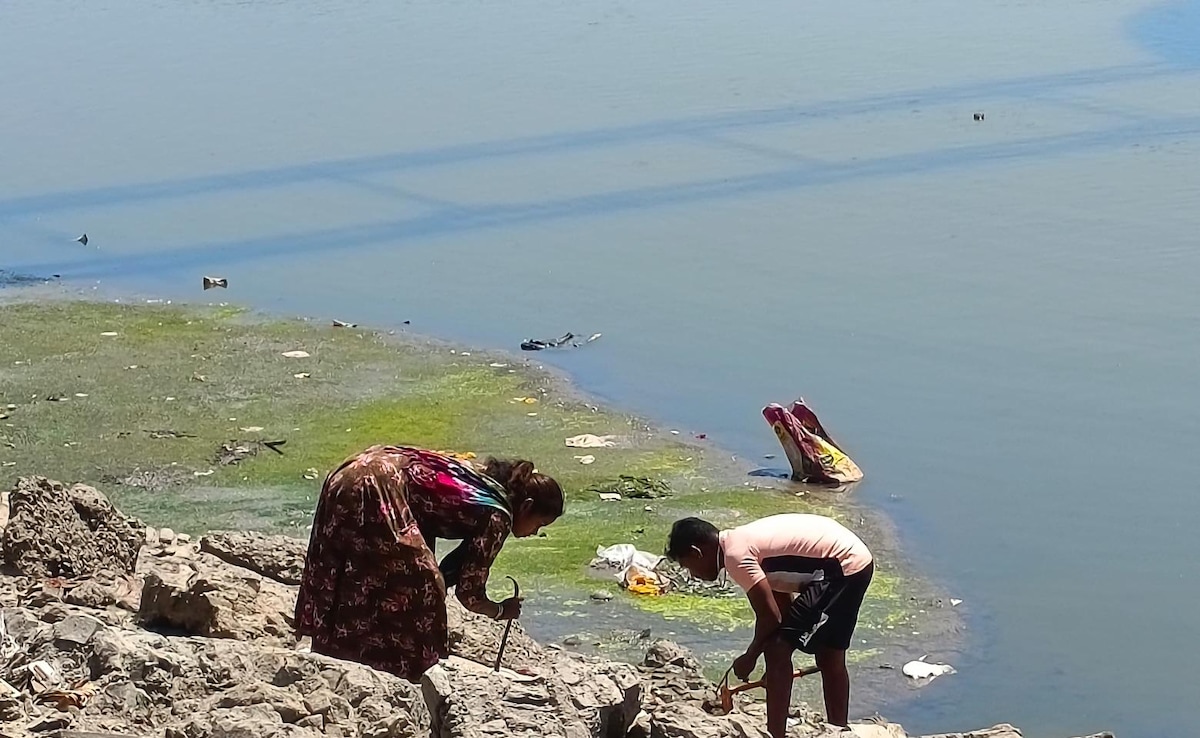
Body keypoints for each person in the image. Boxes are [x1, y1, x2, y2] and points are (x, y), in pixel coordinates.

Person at [294, 444, 564, 682]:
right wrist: (501, 610)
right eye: (539, 524)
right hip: (378, 485)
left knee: (355, 564)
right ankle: (406, 669)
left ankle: (337, 644)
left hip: (354, 469)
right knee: (424, 585)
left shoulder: (480, 478)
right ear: (526, 506)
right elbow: (470, 594)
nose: (534, 533)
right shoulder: (498, 515)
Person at [665, 513, 874, 736]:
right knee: (828, 654)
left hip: (841, 566)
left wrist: (750, 657)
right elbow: (781, 611)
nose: (693, 575)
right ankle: (839, 730)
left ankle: (776, 734)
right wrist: (776, 674)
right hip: (856, 562)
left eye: (687, 566)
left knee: (777, 650)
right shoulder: (742, 544)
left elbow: (770, 618)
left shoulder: (736, 556)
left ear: (697, 553)